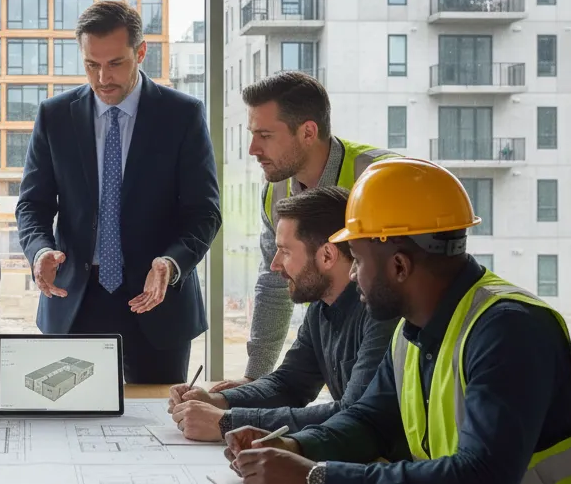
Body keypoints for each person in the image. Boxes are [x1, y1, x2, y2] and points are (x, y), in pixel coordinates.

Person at [225, 157, 571, 484]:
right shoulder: (413, 331)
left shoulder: (509, 331)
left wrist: (316, 476)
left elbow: (481, 475)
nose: (353, 274)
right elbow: (369, 420)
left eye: (357, 258)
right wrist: (294, 445)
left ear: (399, 265)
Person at [16, 0, 222, 384]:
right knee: (72, 425)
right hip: (75, 300)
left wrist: (171, 264)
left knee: (159, 427)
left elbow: (204, 212)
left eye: (115, 63)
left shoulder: (182, 115)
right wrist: (40, 250)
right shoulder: (55, 116)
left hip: (156, 300)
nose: (102, 78)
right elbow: (33, 204)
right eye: (91, 64)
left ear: (140, 52)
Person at [167, 186, 399, 443]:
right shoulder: (321, 308)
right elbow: (288, 384)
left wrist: (228, 422)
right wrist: (217, 400)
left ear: (327, 255)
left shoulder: (381, 313)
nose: (274, 264)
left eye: (285, 251)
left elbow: (352, 415)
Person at [227, 71, 396, 390]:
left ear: (307, 132)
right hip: (338, 365)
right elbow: (275, 280)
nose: (252, 148)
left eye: (264, 135)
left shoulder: (382, 178)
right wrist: (254, 379)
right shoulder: (274, 190)